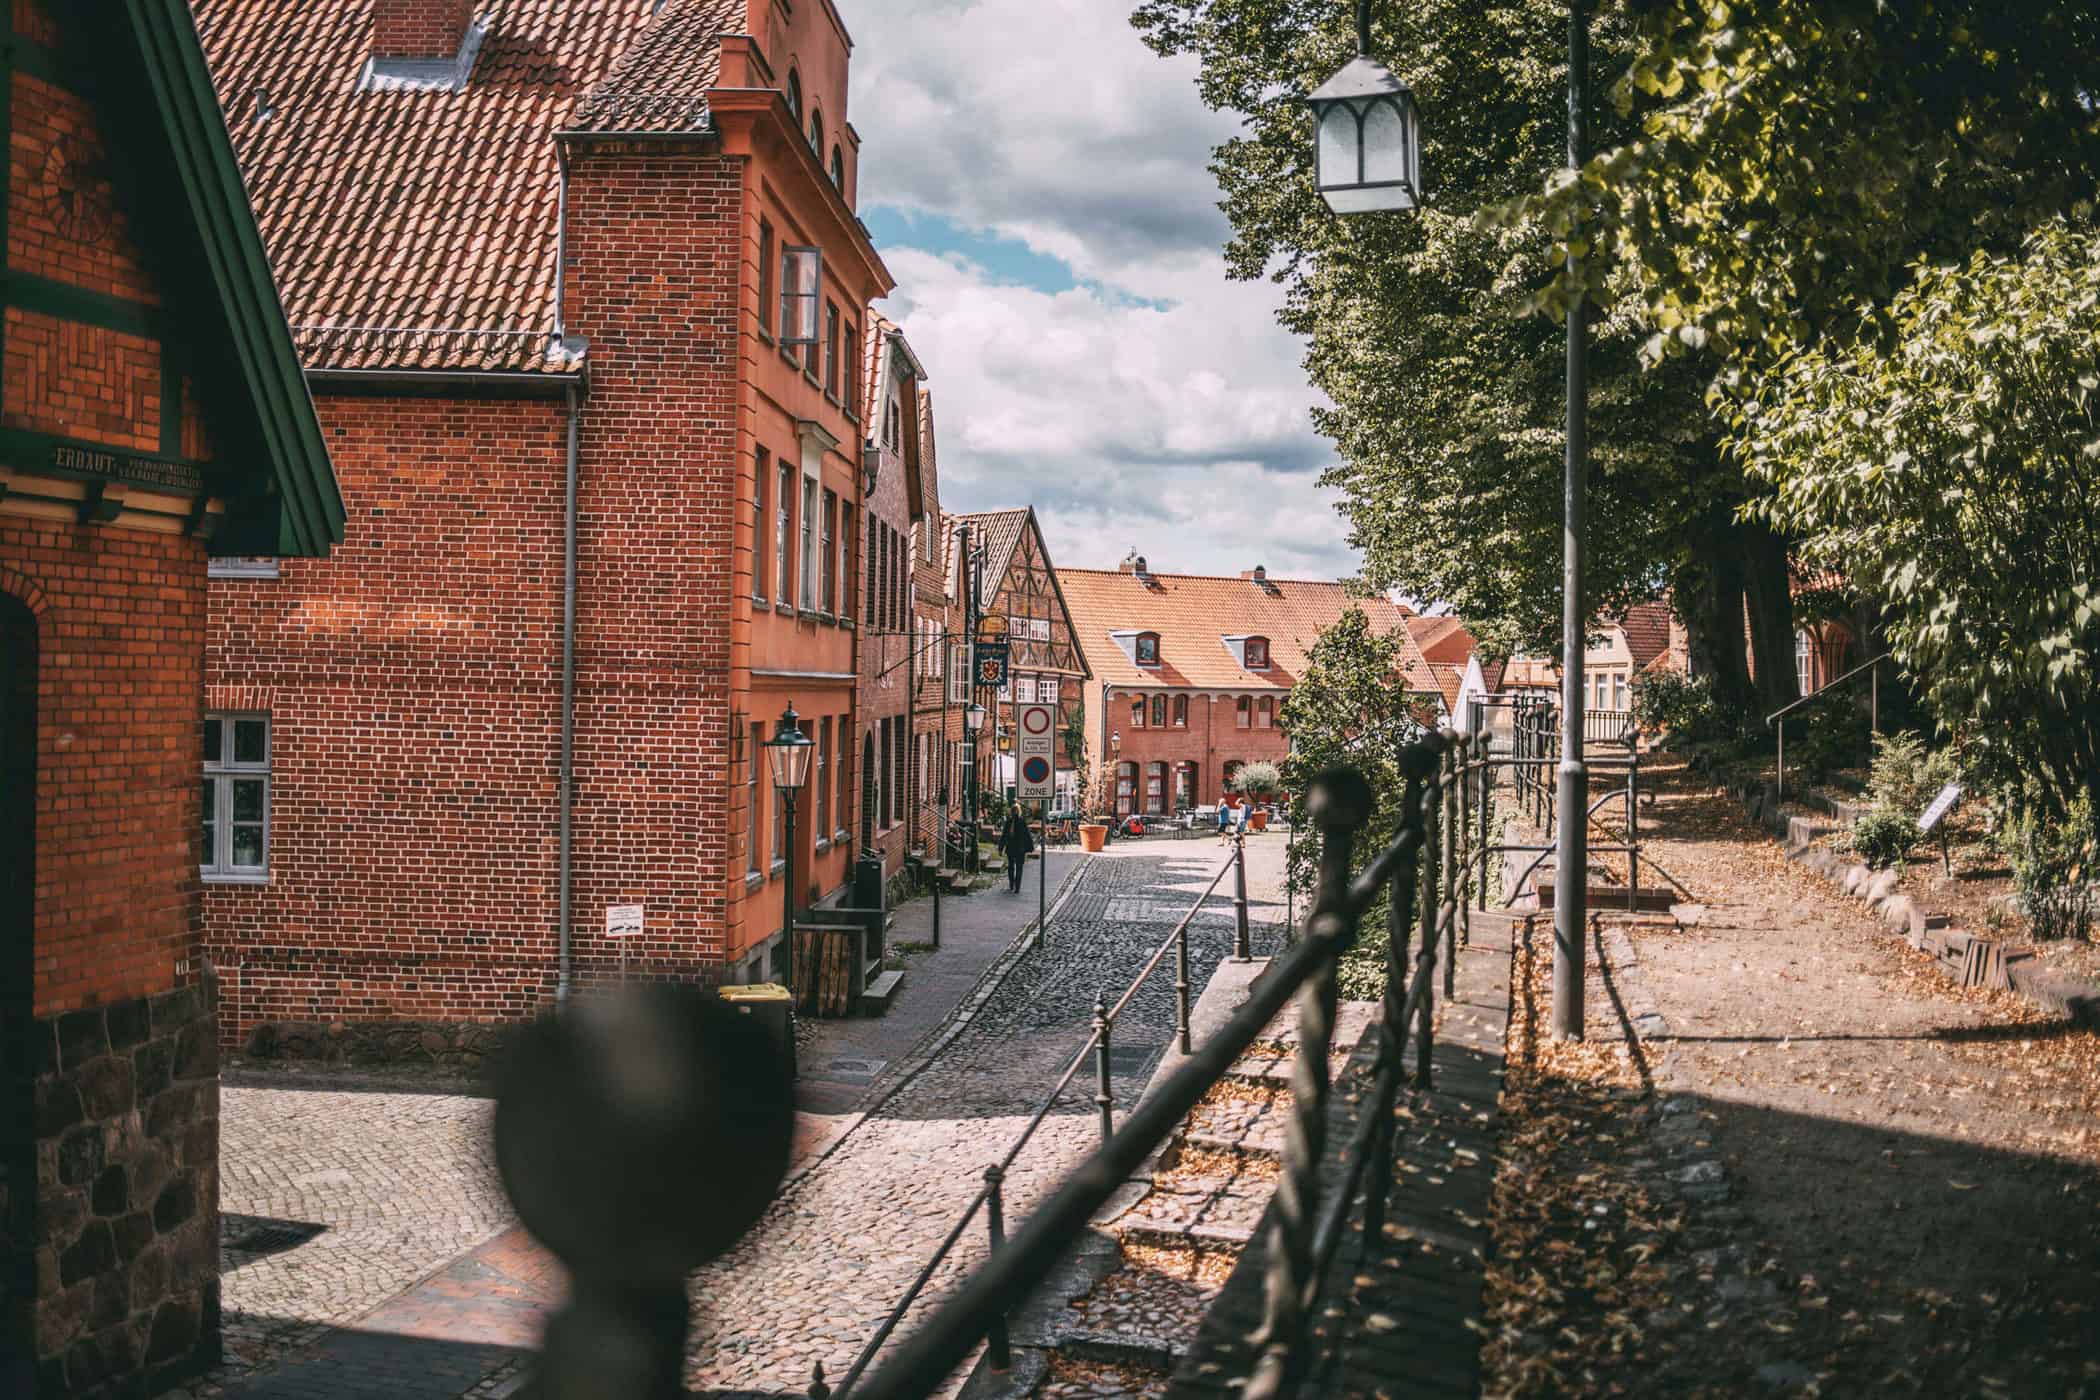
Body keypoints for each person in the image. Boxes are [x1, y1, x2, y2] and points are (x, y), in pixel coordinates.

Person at [998, 809, 1034, 893]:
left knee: (1011, 867)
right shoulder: (1022, 822)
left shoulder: (1009, 822)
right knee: (1019, 867)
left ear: (1011, 812)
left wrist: (1001, 848)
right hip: (1020, 849)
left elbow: (1004, 836)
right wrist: (1030, 847)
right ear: (1019, 812)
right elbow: (1027, 835)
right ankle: (1017, 887)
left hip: (1011, 848)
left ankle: (1011, 885)